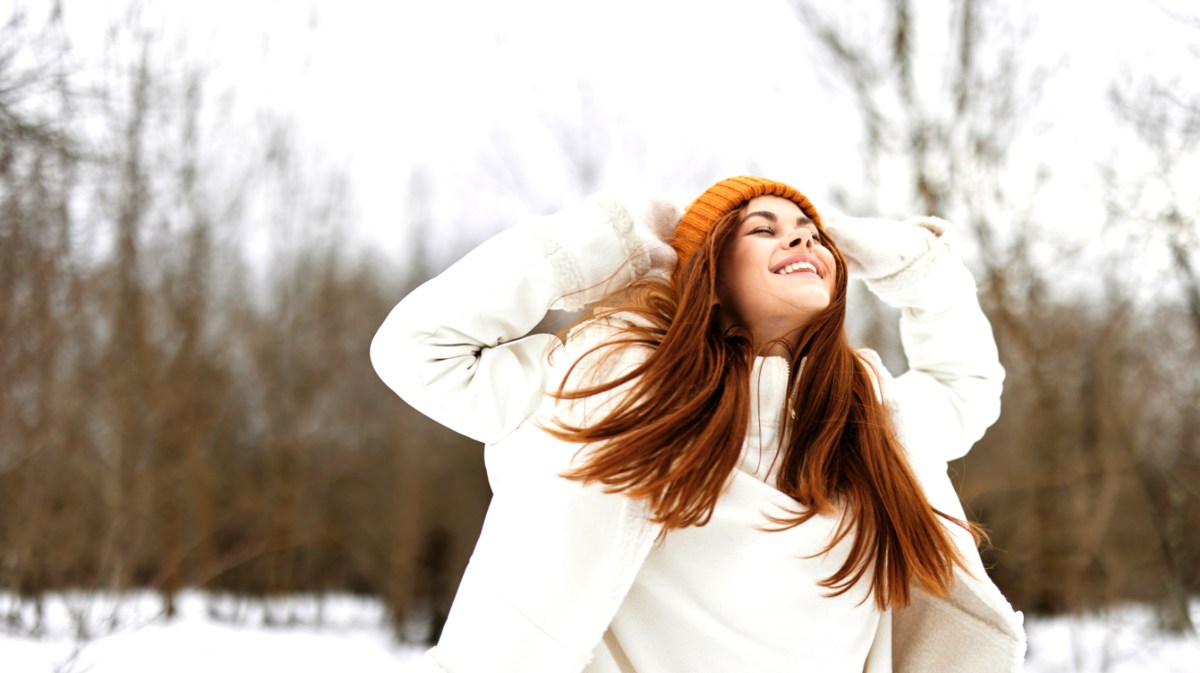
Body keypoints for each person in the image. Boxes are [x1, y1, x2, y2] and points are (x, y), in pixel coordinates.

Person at [371, 176, 1026, 672]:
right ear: (708, 272)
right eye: (763, 228)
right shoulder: (601, 384)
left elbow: (966, 386)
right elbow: (416, 347)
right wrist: (611, 239)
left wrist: (918, 268)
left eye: (812, 231)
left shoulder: (865, 416)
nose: (801, 237)